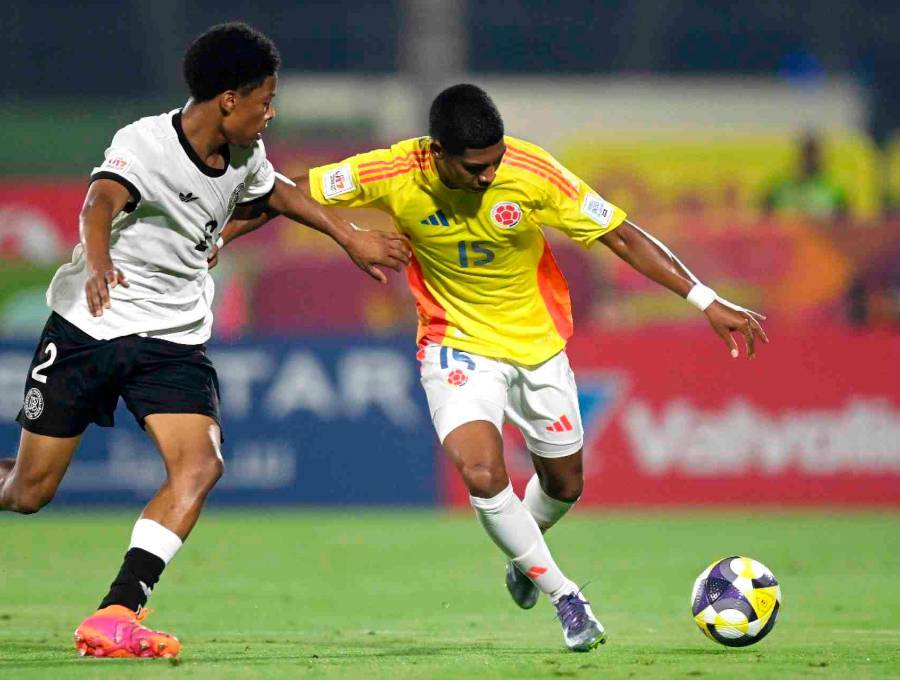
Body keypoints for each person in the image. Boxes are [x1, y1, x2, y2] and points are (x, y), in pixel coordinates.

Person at [217, 84, 768, 652]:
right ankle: (565, 596)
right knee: (482, 472)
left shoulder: (532, 172)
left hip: (538, 350)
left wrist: (705, 299)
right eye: (475, 166)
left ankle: (523, 558)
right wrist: (222, 236)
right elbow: (282, 192)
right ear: (437, 152)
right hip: (454, 344)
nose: (488, 175)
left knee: (565, 484)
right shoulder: (392, 170)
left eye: (495, 162)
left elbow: (621, 234)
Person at [0, 23, 409, 659]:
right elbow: (98, 203)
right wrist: (101, 261)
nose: (270, 114)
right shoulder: (145, 142)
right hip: (91, 326)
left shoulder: (246, 155)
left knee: (200, 465)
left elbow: (278, 194)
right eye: (264, 100)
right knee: (28, 492)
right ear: (227, 99)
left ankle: (118, 611)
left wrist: (347, 234)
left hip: (173, 337)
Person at [763, 132, 848, 220]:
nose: (809, 159)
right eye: (805, 154)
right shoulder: (779, 188)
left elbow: (846, 225)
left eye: (813, 155)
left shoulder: (835, 190)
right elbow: (763, 220)